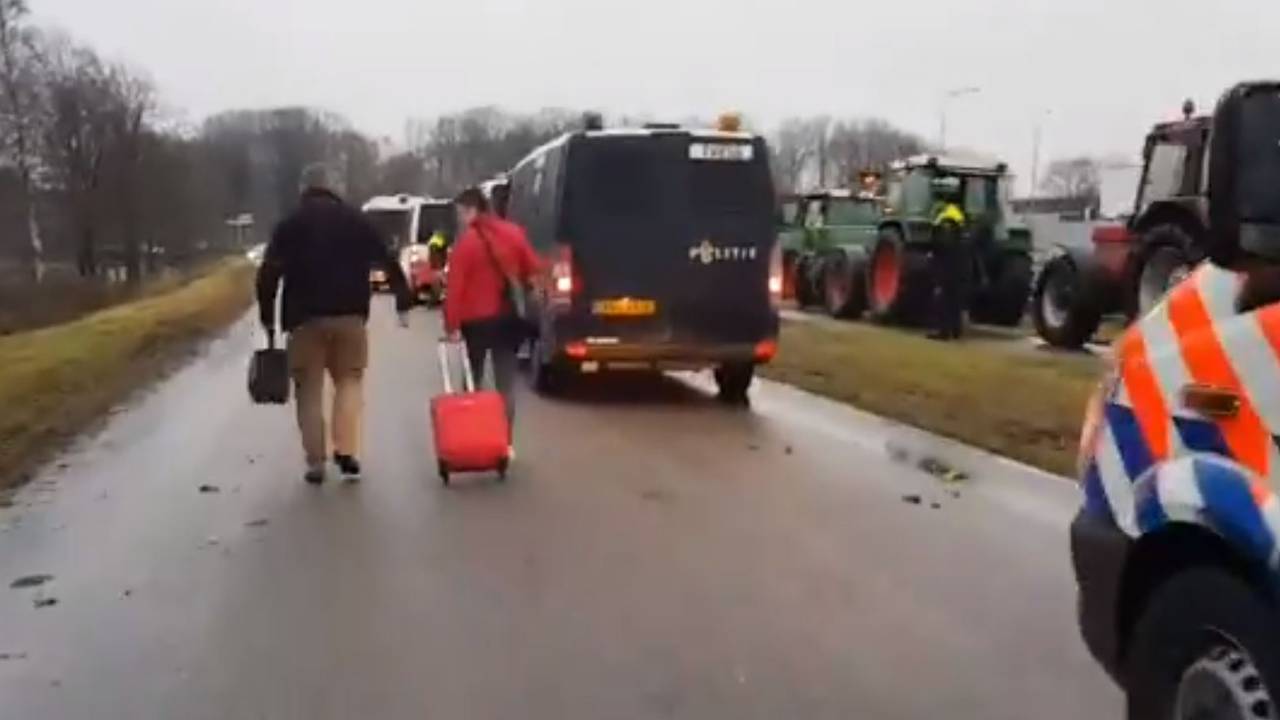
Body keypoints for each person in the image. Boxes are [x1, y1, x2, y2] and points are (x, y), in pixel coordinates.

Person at [257, 163, 412, 484]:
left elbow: (268, 275)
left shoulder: (289, 225)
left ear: (305, 189)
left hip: (303, 320)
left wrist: (268, 317)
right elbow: (387, 258)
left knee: (308, 390)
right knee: (350, 381)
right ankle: (347, 450)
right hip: (351, 316)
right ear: (332, 188)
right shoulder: (356, 221)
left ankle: (316, 461)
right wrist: (402, 297)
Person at [443, 187, 540, 453]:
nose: (460, 219)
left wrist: (452, 326)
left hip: (475, 323)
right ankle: (504, 444)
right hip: (507, 319)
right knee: (505, 384)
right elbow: (533, 268)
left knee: (472, 381)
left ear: (474, 210)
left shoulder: (467, 243)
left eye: (462, 213)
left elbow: (455, 289)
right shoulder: (513, 233)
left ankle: (474, 439)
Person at [928, 178, 969, 341]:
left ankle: (943, 331)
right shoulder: (959, 215)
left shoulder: (947, 217)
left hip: (947, 263)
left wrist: (933, 253)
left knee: (943, 297)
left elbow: (945, 244)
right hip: (960, 263)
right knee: (955, 299)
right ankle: (955, 331)